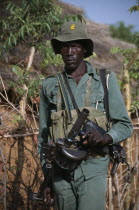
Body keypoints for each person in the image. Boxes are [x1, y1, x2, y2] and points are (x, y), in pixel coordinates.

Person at [38, 21, 133, 210]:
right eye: (65, 46)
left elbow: (125, 125)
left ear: (84, 49)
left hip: (93, 167)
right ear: (59, 50)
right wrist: (48, 175)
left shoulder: (104, 80)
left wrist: (106, 137)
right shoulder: (49, 85)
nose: (69, 51)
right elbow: (43, 135)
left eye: (75, 45)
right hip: (61, 171)